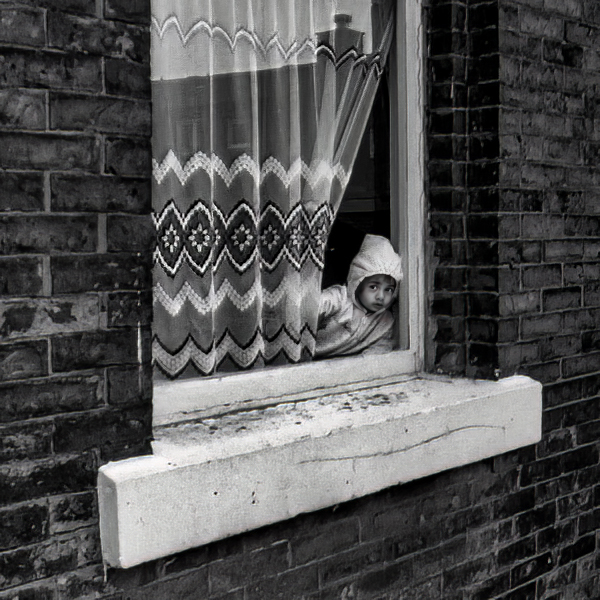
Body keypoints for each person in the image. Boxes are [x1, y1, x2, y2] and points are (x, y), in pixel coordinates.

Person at [315, 234, 403, 358]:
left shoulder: (385, 323)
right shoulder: (339, 299)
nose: (381, 296)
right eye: (373, 287)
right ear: (358, 282)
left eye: (388, 290)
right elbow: (311, 310)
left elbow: (378, 352)